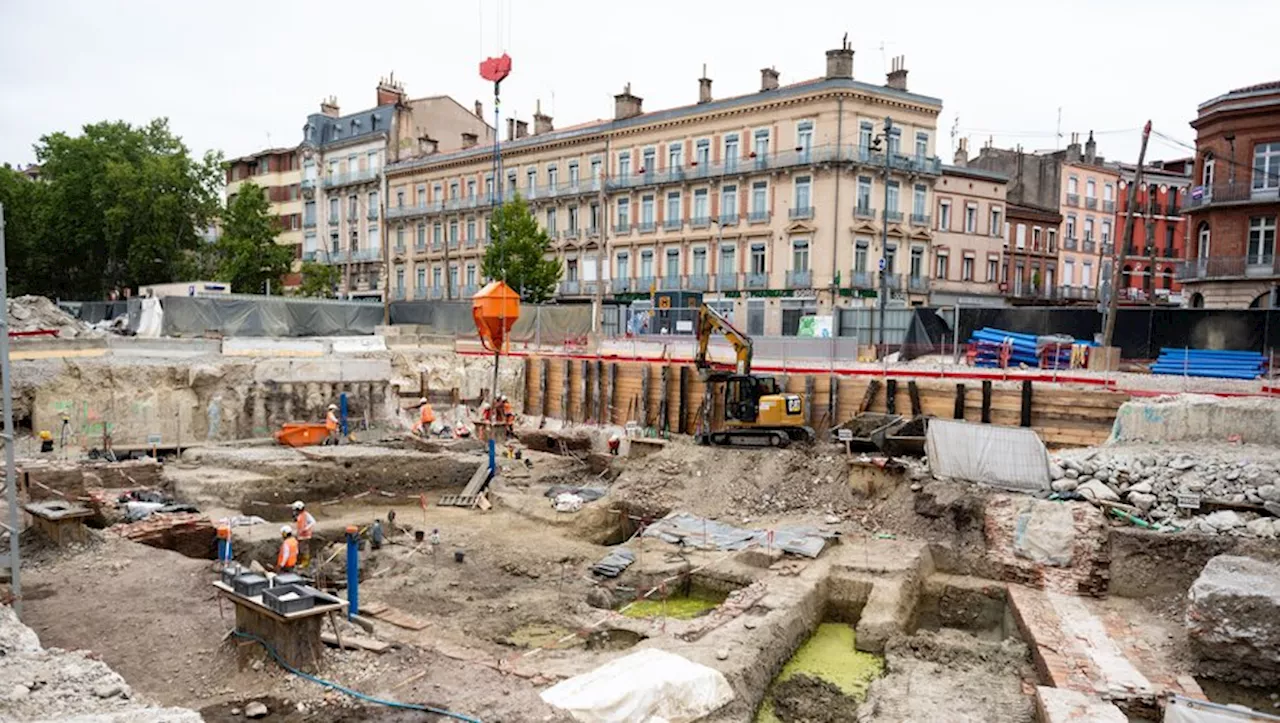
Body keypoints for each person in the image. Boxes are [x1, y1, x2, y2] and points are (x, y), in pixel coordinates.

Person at [291, 501, 316, 569]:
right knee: (299, 549)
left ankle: (305, 563)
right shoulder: (299, 515)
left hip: (305, 536)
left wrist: (306, 528)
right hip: (300, 535)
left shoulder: (306, 515)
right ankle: (300, 561)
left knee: (304, 549)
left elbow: (313, 521)